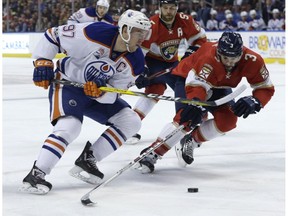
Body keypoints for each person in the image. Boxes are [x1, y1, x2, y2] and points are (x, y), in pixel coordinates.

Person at [19, 9, 151, 194]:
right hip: (68, 84)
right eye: (139, 32)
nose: (143, 37)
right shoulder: (95, 32)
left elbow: (115, 94)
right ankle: (37, 174)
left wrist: (100, 93)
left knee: (131, 121)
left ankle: (88, 159)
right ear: (126, 30)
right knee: (70, 127)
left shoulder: (136, 61)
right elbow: (52, 36)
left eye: (145, 33)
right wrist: (43, 62)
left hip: (94, 95)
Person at [137, 31, 275, 173]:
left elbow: (265, 87)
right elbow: (196, 84)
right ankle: (153, 152)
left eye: (234, 58)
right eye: (226, 58)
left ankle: (192, 140)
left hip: (219, 85)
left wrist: (256, 100)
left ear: (241, 53)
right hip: (188, 79)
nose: (230, 63)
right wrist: (195, 103)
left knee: (228, 121)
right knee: (186, 118)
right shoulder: (208, 56)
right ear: (218, 52)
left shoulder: (253, 60)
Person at [126, 0, 207, 144]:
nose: (169, 12)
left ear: (177, 8)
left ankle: (185, 120)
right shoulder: (151, 25)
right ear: (159, 9)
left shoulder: (185, 20)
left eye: (172, 8)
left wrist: (190, 51)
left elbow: (200, 39)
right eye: (165, 8)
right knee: (156, 88)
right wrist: (142, 72)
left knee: (182, 83)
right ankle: (128, 126)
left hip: (172, 62)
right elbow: (139, 52)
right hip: (152, 61)